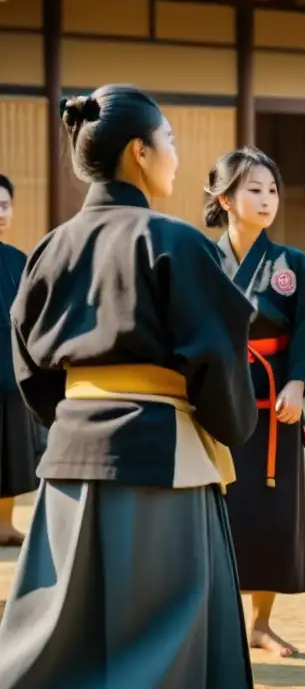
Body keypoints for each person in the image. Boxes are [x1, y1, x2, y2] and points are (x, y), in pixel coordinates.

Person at [0, 85, 258, 687]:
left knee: (63, 629)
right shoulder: (176, 242)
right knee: (162, 630)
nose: (175, 154)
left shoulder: (47, 249)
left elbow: (28, 366)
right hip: (159, 459)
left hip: (68, 460)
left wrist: (69, 422)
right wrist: (231, 425)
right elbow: (218, 361)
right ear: (139, 152)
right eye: (168, 141)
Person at [205, 146, 305, 658]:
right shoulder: (198, 260)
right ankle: (216, 623)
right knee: (214, 511)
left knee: (271, 512)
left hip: (273, 407)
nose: (267, 200)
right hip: (216, 405)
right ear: (224, 197)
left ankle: (260, 623)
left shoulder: (293, 266)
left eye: (273, 190)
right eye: (253, 190)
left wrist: (299, 383)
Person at [0, 174, 39, 547]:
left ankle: (5, 524)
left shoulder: (19, 261)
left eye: (5, 205)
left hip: (10, 374)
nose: (0, 213)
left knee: (10, 451)